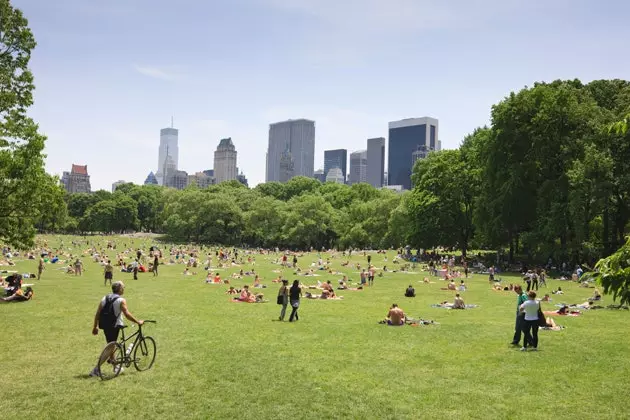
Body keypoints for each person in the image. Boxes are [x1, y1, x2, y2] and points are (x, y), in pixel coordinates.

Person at [90, 281, 143, 376]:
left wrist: (95, 326)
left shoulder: (105, 298)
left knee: (111, 345)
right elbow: (127, 314)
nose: (124, 289)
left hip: (105, 325)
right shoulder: (121, 300)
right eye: (123, 287)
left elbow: (98, 313)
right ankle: (96, 369)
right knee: (110, 347)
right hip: (115, 325)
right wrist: (137, 321)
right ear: (119, 289)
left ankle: (115, 366)